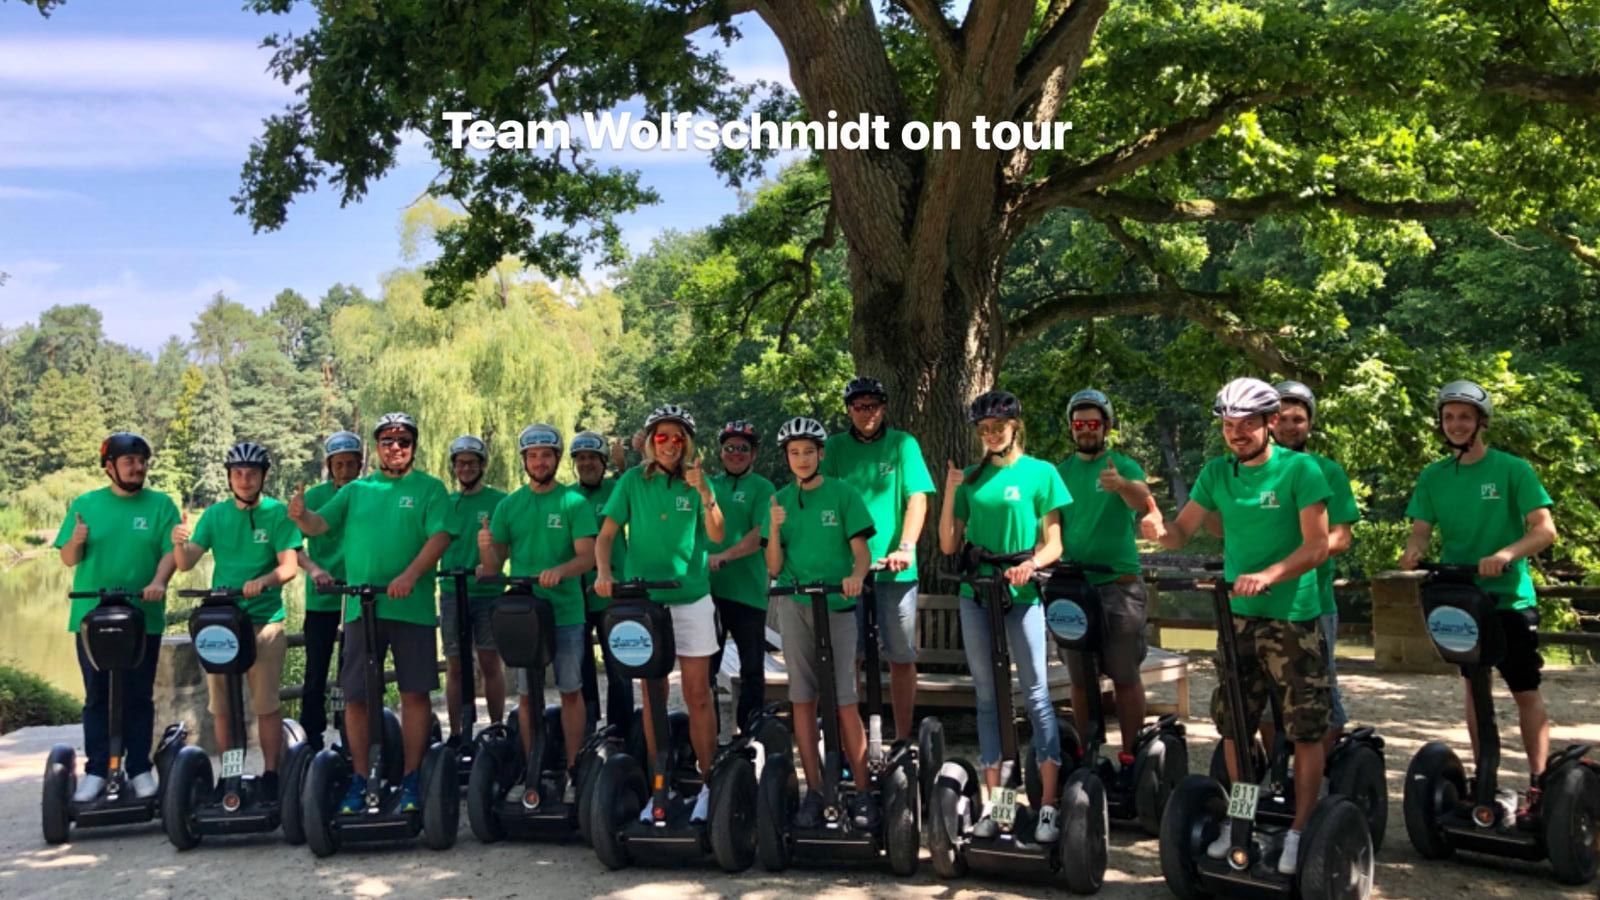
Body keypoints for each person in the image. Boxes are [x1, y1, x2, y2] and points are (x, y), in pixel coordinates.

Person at [1150, 377, 1332, 875]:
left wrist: (1269, 574)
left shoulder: (1301, 469)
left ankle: (1300, 830)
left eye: (1247, 424)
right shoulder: (1217, 473)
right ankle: (1242, 819)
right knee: (1234, 722)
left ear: (1270, 423)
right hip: (1238, 619)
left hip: (1292, 617)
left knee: (1304, 727)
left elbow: (1318, 546)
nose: (1237, 434)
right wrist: (1153, 525)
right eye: (1229, 426)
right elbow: (1179, 534)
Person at [1399, 379, 1556, 820]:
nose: (1455, 424)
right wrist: (1415, 550)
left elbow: (1544, 529)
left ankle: (1539, 782)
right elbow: (1421, 528)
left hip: (1507, 600)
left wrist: (1506, 554)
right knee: (1474, 687)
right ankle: (1483, 777)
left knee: (1524, 688)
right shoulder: (1434, 476)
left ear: (1480, 422)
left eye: (1464, 417)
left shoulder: (1512, 470)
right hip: (1462, 598)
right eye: (1449, 417)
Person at [289, 412, 455, 814]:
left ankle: (413, 778)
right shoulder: (358, 489)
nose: (395, 448)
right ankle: (361, 780)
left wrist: (410, 575)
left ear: (413, 447)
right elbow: (320, 524)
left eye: (403, 441)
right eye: (386, 441)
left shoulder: (430, 489)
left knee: (415, 693)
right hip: (361, 608)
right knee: (358, 697)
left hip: (410, 607)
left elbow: (441, 536)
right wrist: (299, 515)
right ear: (376, 447)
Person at [938, 390, 1071, 843]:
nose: (991, 435)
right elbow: (949, 545)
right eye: (984, 430)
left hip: (1023, 593)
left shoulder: (1041, 473)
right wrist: (952, 492)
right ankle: (998, 804)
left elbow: (1054, 542)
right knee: (987, 696)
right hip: (977, 592)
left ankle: (1048, 804)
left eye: (998, 427)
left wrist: (1033, 564)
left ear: (1016, 426)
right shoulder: (973, 478)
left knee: (1035, 693)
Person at [593, 404, 725, 823]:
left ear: (687, 442)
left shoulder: (699, 482)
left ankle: (708, 785)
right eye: (662, 437)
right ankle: (660, 785)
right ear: (651, 442)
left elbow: (718, 535)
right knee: (652, 697)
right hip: (644, 602)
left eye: (677, 437)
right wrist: (603, 572)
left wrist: (705, 493)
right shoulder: (632, 481)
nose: (670, 444)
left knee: (698, 694)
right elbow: (607, 534)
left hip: (691, 600)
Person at [764, 417, 877, 828]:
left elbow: (861, 551)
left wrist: (856, 577)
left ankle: (863, 791)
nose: (802, 459)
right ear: (787, 458)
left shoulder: (843, 494)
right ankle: (814, 789)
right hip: (796, 605)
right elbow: (773, 565)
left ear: (821, 454)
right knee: (802, 698)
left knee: (845, 699)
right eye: (794, 453)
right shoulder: (777, 501)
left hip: (837, 603)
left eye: (808, 451)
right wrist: (774, 531)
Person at [171, 441, 301, 801]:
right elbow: (185, 564)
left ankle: (272, 776)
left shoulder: (277, 514)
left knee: (266, 704)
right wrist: (179, 543)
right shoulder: (214, 515)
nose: (245, 480)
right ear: (229, 477)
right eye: (238, 474)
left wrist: (265, 581)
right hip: (224, 623)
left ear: (263, 477)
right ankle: (230, 776)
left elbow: (289, 566)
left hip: (263, 624)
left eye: (252, 473)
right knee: (223, 707)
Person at [55, 432, 180, 802]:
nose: (138, 468)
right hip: (92, 619)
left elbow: (170, 554)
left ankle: (139, 767)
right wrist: (76, 540)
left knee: (139, 694)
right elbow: (67, 558)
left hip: (143, 616)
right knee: (97, 695)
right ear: (110, 467)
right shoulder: (86, 504)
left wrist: (158, 582)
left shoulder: (160, 505)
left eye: (142, 461)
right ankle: (97, 769)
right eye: (129, 462)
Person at [479, 423, 597, 801]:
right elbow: (494, 566)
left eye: (546, 455)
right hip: (524, 616)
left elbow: (588, 556)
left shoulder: (573, 503)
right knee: (528, 697)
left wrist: (559, 571)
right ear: (524, 461)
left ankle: (574, 770)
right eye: (533, 456)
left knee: (570, 690)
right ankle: (532, 769)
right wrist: (486, 548)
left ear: (557, 459)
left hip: (564, 611)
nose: (540, 461)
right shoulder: (509, 505)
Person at [820, 376, 935, 741]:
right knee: (848, 655)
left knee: (900, 654)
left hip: (894, 571)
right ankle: (852, 738)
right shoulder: (834, 448)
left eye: (872, 406)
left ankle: (901, 737)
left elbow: (917, 497)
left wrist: (905, 547)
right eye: (858, 406)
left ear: (883, 408)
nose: (866, 413)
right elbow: (826, 501)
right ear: (849, 410)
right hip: (850, 571)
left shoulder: (903, 444)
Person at [1056, 389, 1162, 767]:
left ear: (1106, 426)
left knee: (1124, 673)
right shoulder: (1061, 472)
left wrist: (1122, 486)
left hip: (1118, 585)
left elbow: (1143, 500)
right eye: (1079, 424)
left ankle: (1134, 754)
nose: (1086, 430)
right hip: (1073, 586)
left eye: (1093, 423)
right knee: (1081, 678)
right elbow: (1049, 525)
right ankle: (1088, 752)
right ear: (1072, 428)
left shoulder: (1122, 465)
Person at [1272, 381, 1361, 754]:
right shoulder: (1241, 471)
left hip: (1313, 600)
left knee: (1318, 692)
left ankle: (1319, 781)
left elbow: (1342, 536)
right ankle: (1275, 777)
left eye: (1299, 419)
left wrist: (1307, 554)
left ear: (1309, 424)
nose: (1291, 426)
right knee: (1260, 701)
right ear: (1269, 422)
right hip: (1254, 602)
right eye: (1283, 418)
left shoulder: (1326, 470)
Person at [706, 420, 777, 737]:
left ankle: (749, 734)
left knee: (751, 669)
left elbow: (760, 534)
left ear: (754, 454)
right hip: (709, 593)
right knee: (706, 668)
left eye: (743, 448)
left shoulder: (763, 488)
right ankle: (707, 737)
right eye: (730, 447)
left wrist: (724, 555)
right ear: (720, 452)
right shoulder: (708, 485)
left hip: (747, 592)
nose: (736, 453)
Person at [297, 431, 363, 751]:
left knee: (350, 670)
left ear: (361, 465)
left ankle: (348, 733)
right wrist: (314, 569)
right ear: (329, 465)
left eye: (351, 464)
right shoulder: (313, 497)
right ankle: (311, 735)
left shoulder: (368, 494)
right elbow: (292, 546)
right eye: (339, 464)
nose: (345, 470)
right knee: (316, 669)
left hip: (356, 595)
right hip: (322, 594)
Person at [438, 435, 508, 736]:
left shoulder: (498, 501)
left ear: (482, 465)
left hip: (487, 593)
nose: (465, 468)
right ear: (454, 467)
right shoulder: (446, 503)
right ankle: (456, 733)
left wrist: (492, 564)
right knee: (455, 665)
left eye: (471, 463)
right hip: (454, 591)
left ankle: (495, 727)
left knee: (490, 661)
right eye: (460, 463)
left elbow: (505, 543)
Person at [571, 430, 634, 740]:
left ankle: (621, 731)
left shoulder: (616, 488)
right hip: (577, 592)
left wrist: (623, 467)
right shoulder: (567, 496)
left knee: (619, 666)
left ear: (603, 462)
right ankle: (586, 728)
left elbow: (640, 491)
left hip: (614, 590)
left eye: (592, 458)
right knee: (581, 668)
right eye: (580, 459)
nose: (586, 464)